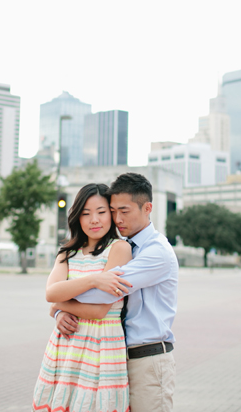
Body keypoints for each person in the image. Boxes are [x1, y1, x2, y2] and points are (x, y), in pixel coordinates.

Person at [51, 173, 179, 412]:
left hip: (147, 359)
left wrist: (59, 303)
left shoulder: (156, 252)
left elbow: (102, 298)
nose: (117, 218)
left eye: (125, 210)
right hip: (116, 358)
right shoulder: (125, 246)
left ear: (147, 208)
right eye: (113, 211)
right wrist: (59, 308)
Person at [32, 183, 133, 412]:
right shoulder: (67, 252)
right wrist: (94, 281)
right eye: (86, 213)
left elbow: (99, 311)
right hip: (65, 346)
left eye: (101, 212)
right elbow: (50, 293)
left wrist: (60, 305)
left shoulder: (119, 249)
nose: (94, 220)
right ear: (77, 217)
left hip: (102, 347)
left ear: (111, 214)